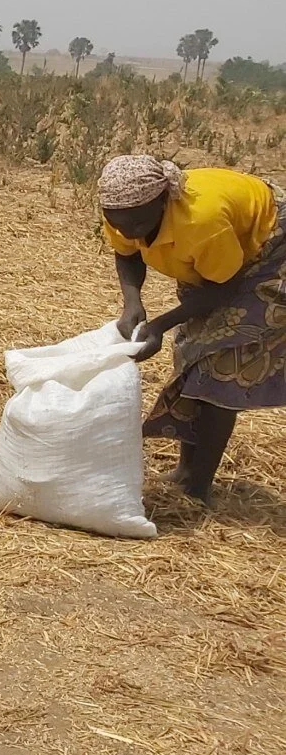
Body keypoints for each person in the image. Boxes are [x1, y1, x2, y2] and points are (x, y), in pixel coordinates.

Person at [99, 154, 284, 501]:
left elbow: (223, 287)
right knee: (192, 355)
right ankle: (186, 471)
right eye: (117, 223)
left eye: (136, 224)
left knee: (222, 366)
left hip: (272, 248)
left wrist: (162, 324)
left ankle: (199, 484)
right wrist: (133, 302)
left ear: (163, 203)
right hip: (220, 259)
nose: (127, 232)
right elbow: (127, 252)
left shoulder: (201, 223)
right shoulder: (123, 209)